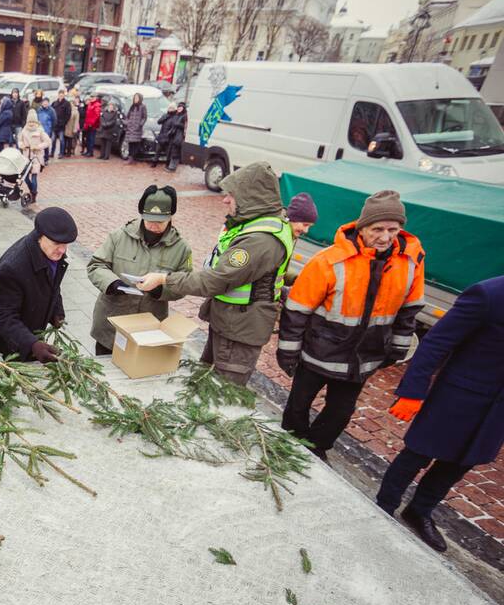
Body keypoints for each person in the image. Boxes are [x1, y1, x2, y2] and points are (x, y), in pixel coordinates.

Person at [277, 190, 425, 461]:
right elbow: (297, 310)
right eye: (377, 228)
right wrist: (288, 352)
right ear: (362, 227)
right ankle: (290, 442)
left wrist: (396, 350)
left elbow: (408, 312)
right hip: (317, 353)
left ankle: (316, 448)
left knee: (341, 412)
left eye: (393, 229)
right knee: (298, 404)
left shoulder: (410, 264)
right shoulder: (329, 260)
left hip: (362, 359)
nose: (385, 236)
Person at [376, 275, 504, 552]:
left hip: (497, 411)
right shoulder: (489, 294)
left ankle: (419, 511)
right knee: (417, 454)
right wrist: (413, 391)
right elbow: (437, 343)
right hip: (459, 396)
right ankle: (384, 505)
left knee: (458, 464)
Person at [136, 162, 294, 386]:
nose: (225, 200)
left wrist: (164, 279)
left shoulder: (259, 240)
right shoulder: (257, 224)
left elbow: (215, 280)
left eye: (232, 195)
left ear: (252, 197)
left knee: (221, 393)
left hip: (238, 331)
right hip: (231, 322)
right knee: (204, 382)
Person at [87, 186, 192, 356]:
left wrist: (160, 288)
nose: (153, 226)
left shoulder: (181, 248)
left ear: (170, 217)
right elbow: (96, 265)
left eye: (160, 221)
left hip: (148, 327)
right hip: (112, 324)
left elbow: (185, 283)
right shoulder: (119, 236)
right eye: (149, 219)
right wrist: (112, 283)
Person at [0, 207, 77, 363]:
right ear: (40, 236)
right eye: (57, 243)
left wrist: (57, 311)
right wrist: (31, 344)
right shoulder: (12, 268)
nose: (62, 250)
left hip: (34, 330)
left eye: (66, 244)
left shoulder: (51, 254)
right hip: (13, 344)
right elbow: (3, 317)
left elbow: (53, 285)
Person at [17, 110, 51, 202]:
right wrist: (22, 145)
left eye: (33, 121)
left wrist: (38, 146)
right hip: (26, 157)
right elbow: (19, 141)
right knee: (25, 177)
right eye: (29, 122)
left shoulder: (40, 131)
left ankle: (34, 194)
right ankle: (33, 190)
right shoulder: (24, 131)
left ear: (36, 122)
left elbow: (48, 142)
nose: (31, 124)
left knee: (34, 177)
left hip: (36, 157)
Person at [156, 102, 187, 171]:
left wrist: (177, 124)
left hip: (179, 136)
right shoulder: (177, 115)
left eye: (181, 107)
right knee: (172, 152)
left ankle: (172, 168)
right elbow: (161, 122)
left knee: (175, 153)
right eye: (178, 107)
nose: (179, 108)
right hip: (173, 136)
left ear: (183, 108)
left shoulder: (184, 116)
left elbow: (185, 127)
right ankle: (170, 166)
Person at [123, 93, 148, 164]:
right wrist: (127, 123)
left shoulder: (143, 107)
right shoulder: (132, 106)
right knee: (130, 144)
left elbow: (144, 117)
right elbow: (128, 116)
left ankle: (134, 158)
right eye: (135, 98)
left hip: (137, 129)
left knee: (135, 144)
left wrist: (140, 125)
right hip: (130, 128)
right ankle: (130, 158)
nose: (135, 99)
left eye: (137, 98)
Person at [52, 89, 72, 159]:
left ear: (64, 95)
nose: (61, 96)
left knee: (61, 140)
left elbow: (68, 114)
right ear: (58, 95)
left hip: (61, 126)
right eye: (60, 94)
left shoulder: (67, 103)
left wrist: (64, 122)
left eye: (62, 94)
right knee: (53, 139)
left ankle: (61, 153)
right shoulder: (54, 103)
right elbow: (51, 112)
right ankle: (52, 153)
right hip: (54, 125)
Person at [36, 97, 56, 163]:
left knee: (46, 145)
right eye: (44, 102)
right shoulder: (39, 110)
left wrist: (51, 129)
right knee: (39, 144)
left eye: (46, 102)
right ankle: (39, 158)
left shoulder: (51, 111)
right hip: (39, 130)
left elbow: (54, 120)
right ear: (42, 103)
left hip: (47, 130)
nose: (45, 103)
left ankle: (46, 159)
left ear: (48, 103)